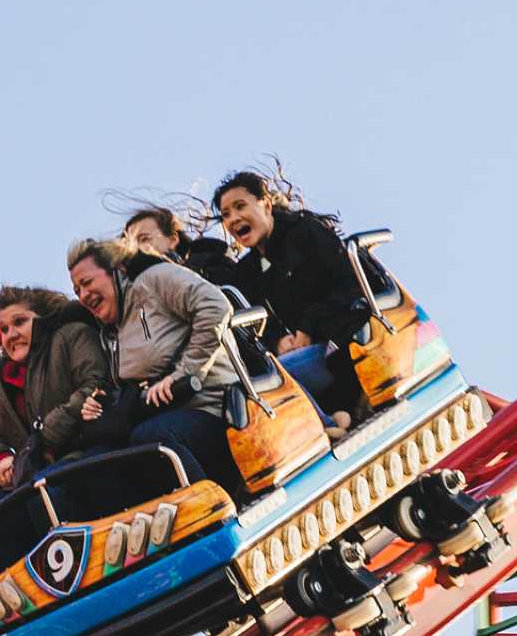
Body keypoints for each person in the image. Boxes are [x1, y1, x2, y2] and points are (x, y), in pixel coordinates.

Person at [64, 236, 242, 495]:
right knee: (96, 462)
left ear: (118, 270)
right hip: (163, 418)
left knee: (151, 441)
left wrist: (185, 372)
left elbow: (215, 306)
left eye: (87, 282)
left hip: (216, 407)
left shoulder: (154, 281)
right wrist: (101, 403)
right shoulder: (111, 335)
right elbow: (129, 385)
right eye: (76, 290)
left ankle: (210, 511)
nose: (82, 295)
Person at [203, 165, 377, 426]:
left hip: (345, 338)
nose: (233, 218)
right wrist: (279, 341)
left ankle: (332, 423)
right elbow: (262, 324)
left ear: (266, 205)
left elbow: (351, 284)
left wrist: (308, 325)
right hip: (309, 350)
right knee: (253, 387)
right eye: (226, 214)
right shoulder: (249, 272)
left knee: (270, 384)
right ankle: (329, 424)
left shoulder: (305, 231)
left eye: (241, 206)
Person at [0, 286, 111, 501]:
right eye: (4, 329)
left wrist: (43, 439)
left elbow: (95, 384)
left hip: (86, 454)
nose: (11, 335)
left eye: (20, 322)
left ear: (43, 320)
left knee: (42, 493)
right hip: (34, 474)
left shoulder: (72, 337)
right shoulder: (4, 380)